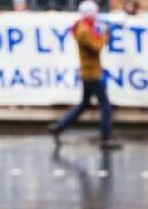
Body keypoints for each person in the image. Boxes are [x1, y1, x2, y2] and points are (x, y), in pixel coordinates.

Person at [47, 0, 120, 150]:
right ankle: (106, 138)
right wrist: (105, 35)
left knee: (84, 104)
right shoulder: (84, 31)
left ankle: (59, 127)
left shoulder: (85, 27)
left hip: (89, 72)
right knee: (105, 106)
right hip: (92, 73)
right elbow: (97, 47)